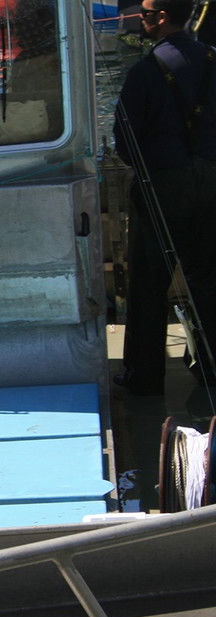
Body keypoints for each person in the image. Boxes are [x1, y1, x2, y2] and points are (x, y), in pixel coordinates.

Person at [113, 0, 216, 394]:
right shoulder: (211, 58)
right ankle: (210, 366)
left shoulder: (145, 71)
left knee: (148, 282)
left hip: (163, 185)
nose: (140, 18)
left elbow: (126, 141)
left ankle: (144, 376)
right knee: (208, 276)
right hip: (210, 180)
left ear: (158, 18)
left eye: (144, 12)